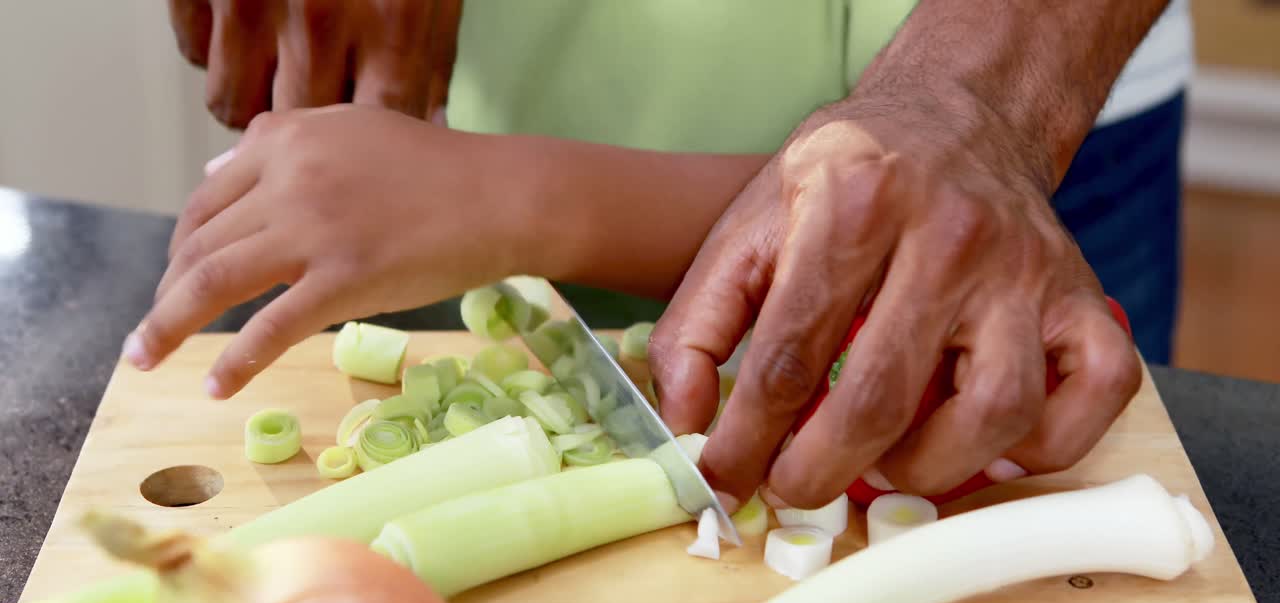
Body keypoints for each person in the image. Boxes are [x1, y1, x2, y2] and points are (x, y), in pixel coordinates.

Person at [131, 0, 1188, 512]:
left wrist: (513, 199)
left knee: (1004, 401)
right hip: (503, 119)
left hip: (1020, 79)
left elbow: (907, 244)